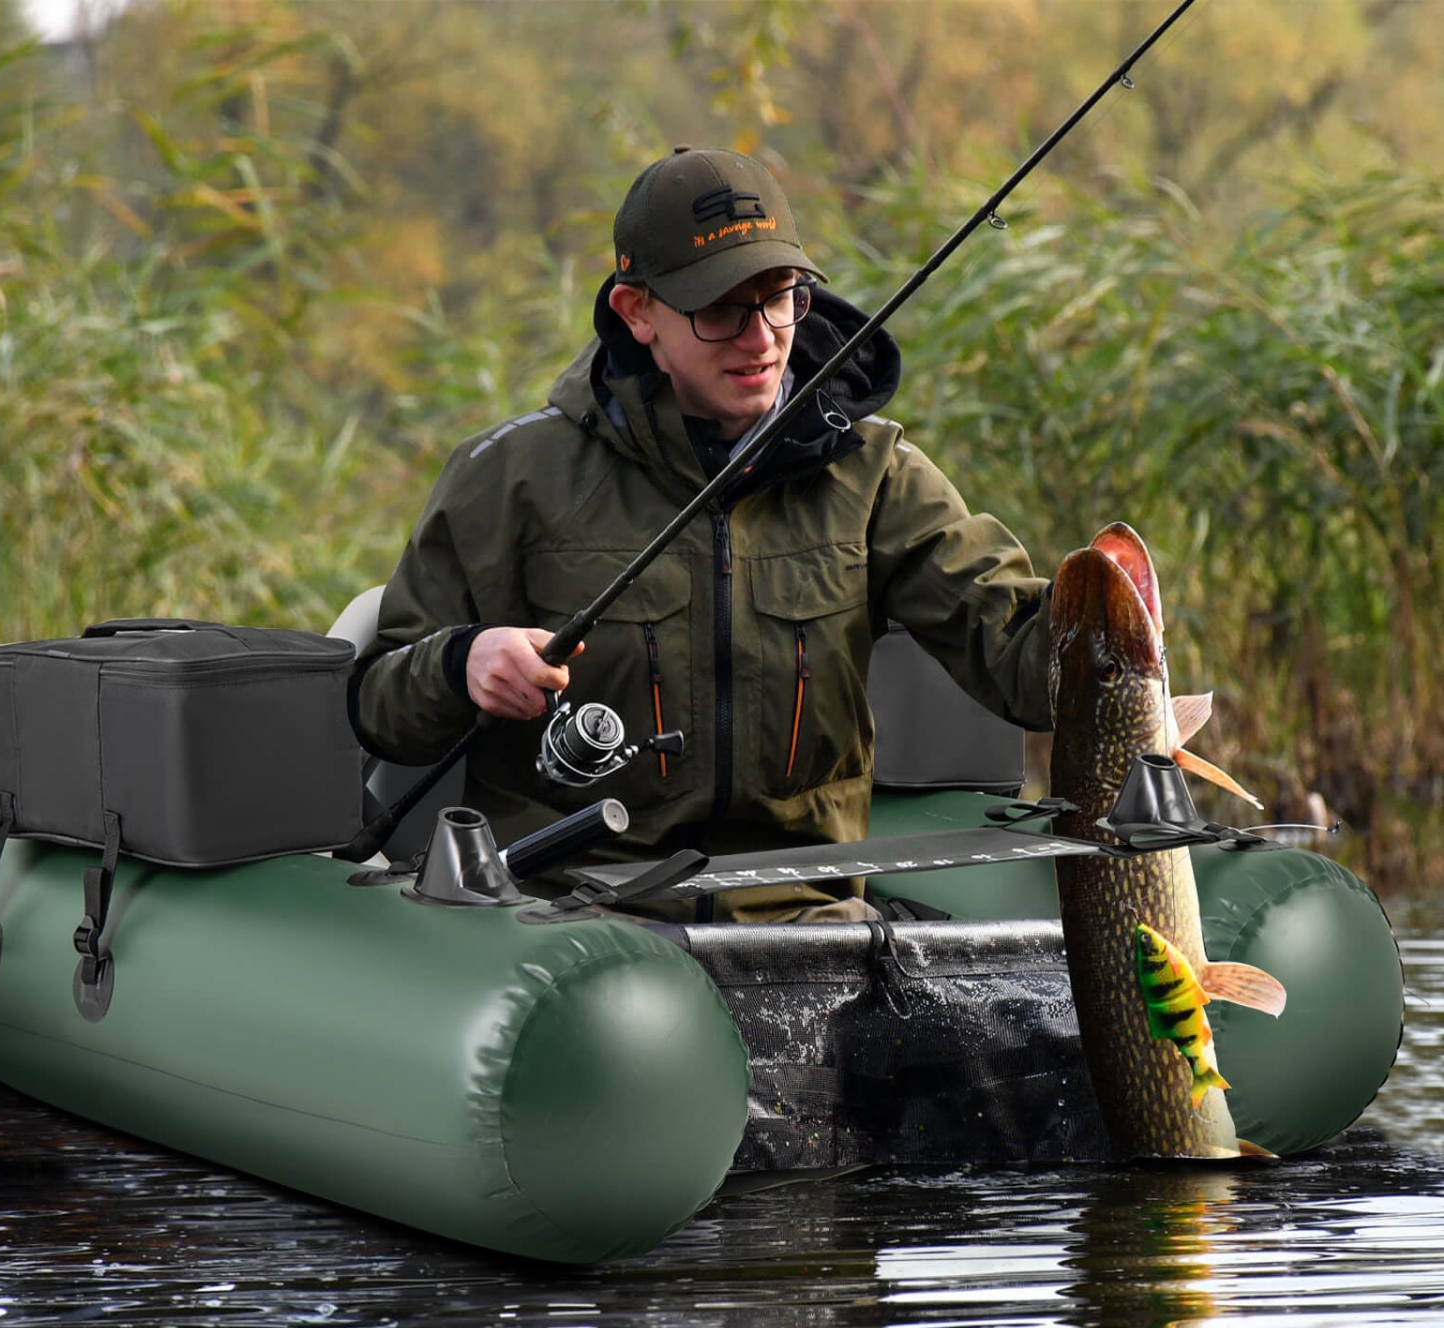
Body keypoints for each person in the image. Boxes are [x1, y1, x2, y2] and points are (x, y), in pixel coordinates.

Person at [350, 146, 1053, 920]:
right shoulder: (508, 477)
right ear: (637, 313)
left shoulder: (876, 473)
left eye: (780, 298)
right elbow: (381, 705)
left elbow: (1018, 656)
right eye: (721, 310)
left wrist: (1097, 629)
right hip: (568, 925)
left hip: (809, 921)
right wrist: (462, 663)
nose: (760, 339)